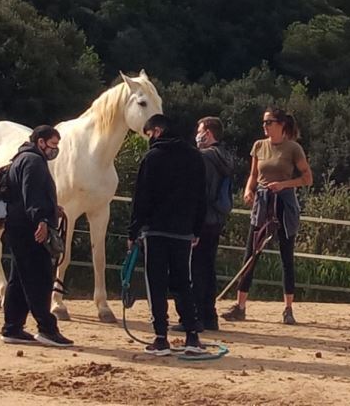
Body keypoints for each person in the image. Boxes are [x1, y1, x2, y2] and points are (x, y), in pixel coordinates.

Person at [221, 107, 313, 325]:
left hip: (284, 201)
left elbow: (307, 178)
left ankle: (288, 309)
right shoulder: (259, 146)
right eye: (264, 122)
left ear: (281, 124)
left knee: (286, 256)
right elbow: (253, 174)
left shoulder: (293, 148)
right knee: (251, 253)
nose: (265, 126)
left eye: (269, 122)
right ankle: (240, 305)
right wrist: (248, 189)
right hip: (262, 201)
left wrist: (283, 185)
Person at [129, 114, 207, 356]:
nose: (149, 138)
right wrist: (196, 228)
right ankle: (192, 336)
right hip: (183, 231)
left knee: (157, 283)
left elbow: (141, 198)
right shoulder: (195, 157)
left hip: (156, 230)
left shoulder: (152, 158)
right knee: (184, 282)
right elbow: (201, 196)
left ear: (158, 130)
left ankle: (161, 337)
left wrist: (133, 231)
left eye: (149, 133)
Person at [1, 125, 73, 347]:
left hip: (17, 227)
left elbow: (28, 195)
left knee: (19, 279)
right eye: (53, 144)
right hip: (29, 229)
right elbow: (31, 195)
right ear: (41, 142)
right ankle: (47, 328)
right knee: (39, 278)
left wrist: (52, 209)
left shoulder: (21, 158)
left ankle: (12, 327)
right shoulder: (33, 161)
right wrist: (41, 219)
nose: (55, 150)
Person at [172, 117, 235, 332]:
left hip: (201, 220)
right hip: (216, 219)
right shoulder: (225, 156)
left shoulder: (204, 157)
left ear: (207, 133)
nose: (197, 135)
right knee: (208, 268)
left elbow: (198, 191)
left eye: (200, 131)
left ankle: (195, 316)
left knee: (195, 269)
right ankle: (210, 315)